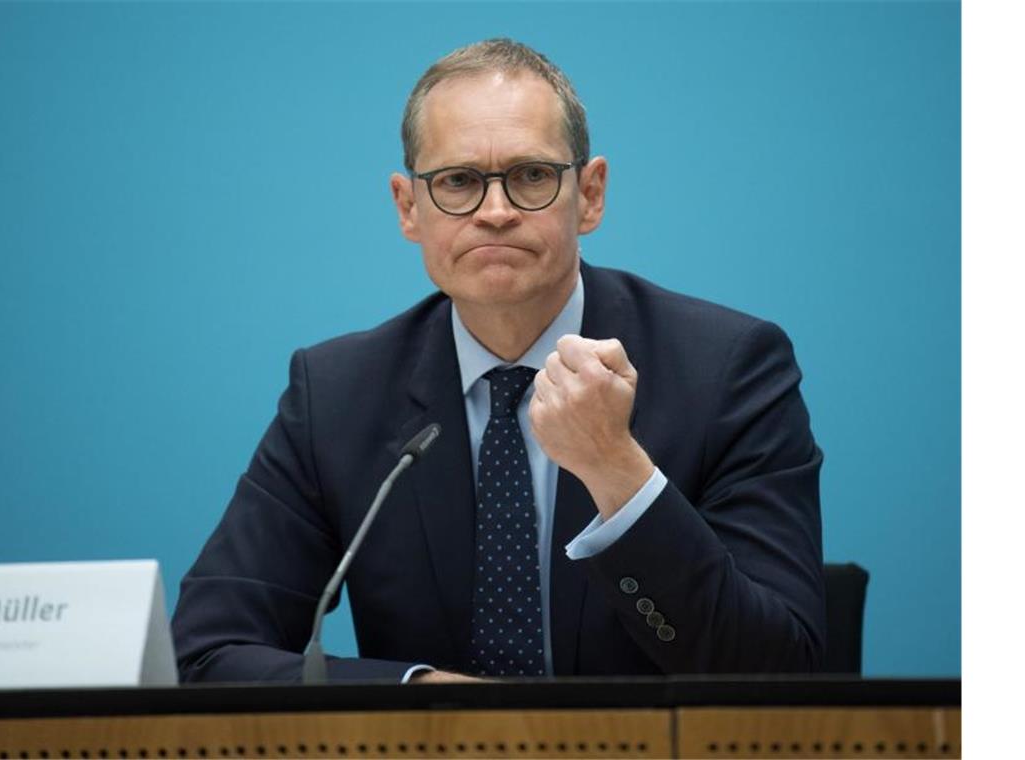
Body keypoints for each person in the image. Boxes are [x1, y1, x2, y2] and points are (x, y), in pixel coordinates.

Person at [171, 39, 825, 684]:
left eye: (531, 176)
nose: (496, 212)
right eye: (458, 182)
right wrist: (418, 697)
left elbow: (783, 670)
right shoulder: (337, 396)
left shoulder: (728, 371)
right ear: (408, 207)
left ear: (590, 195)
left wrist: (615, 470)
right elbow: (206, 650)